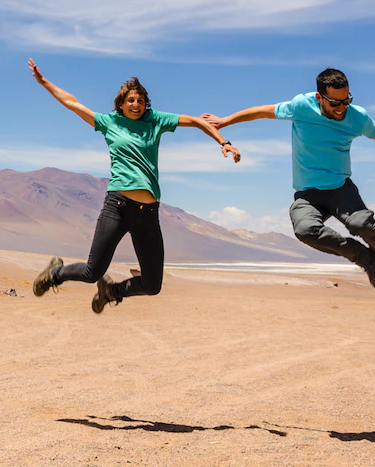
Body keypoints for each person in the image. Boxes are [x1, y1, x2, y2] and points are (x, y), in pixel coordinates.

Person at [201, 68, 375, 289]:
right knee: (304, 230)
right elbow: (262, 112)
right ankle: (367, 260)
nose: (341, 108)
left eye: (346, 100)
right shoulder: (301, 106)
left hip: (339, 188)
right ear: (319, 97)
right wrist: (226, 121)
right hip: (307, 194)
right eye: (335, 103)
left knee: (361, 224)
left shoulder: (357, 118)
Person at [26, 59, 241, 313]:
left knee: (152, 285)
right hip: (118, 207)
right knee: (92, 271)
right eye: (130, 100)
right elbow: (73, 103)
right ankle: (56, 273)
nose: (136, 105)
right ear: (121, 103)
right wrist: (44, 82)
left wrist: (223, 142)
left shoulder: (156, 121)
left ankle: (112, 292)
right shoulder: (109, 123)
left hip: (148, 214)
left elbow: (197, 121)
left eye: (140, 100)